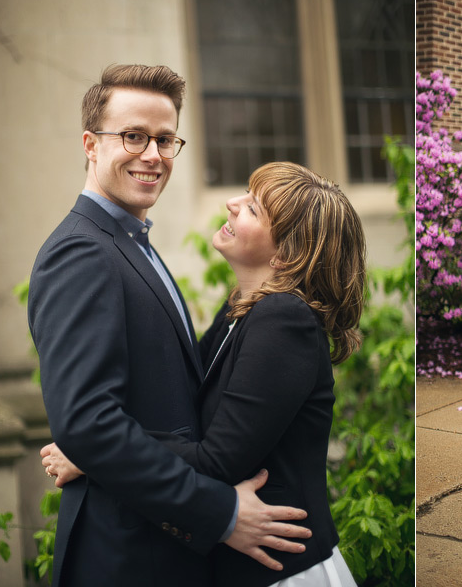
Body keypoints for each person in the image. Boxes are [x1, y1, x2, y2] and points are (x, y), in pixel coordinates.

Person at [28, 65, 310, 587]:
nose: (152, 155)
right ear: (90, 144)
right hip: (124, 556)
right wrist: (219, 513)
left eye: (164, 139)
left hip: (162, 550)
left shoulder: (131, 243)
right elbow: (88, 424)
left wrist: (89, 457)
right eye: (133, 136)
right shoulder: (80, 253)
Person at [43, 161, 367, 586]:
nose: (231, 205)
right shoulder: (241, 308)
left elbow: (215, 460)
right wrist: (97, 440)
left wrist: (93, 453)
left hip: (282, 573)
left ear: (286, 253)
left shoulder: (286, 320)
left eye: (253, 209)